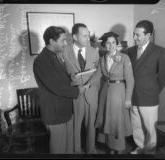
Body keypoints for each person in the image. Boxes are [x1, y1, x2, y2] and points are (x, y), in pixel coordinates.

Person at [33, 26, 86, 154]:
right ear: (52, 42)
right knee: (59, 149)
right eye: (62, 40)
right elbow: (56, 87)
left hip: (64, 110)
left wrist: (71, 77)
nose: (66, 43)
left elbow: (59, 79)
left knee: (67, 148)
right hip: (55, 113)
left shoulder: (54, 57)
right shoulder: (42, 61)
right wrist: (78, 90)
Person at [126, 20, 165, 154]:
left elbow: (164, 76)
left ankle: (150, 152)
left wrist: (153, 91)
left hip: (149, 98)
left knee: (150, 128)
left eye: (138, 35)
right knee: (136, 126)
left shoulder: (160, 51)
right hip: (133, 96)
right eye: (134, 34)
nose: (134, 38)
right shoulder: (130, 51)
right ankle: (140, 147)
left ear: (148, 35)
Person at [87, 32, 134, 154]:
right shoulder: (102, 58)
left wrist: (128, 98)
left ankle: (119, 148)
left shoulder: (124, 58)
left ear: (117, 44)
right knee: (106, 119)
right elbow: (98, 73)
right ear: (104, 45)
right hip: (105, 93)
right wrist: (87, 84)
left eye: (113, 42)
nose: (111, 45)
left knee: (117, 121)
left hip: (119, 93)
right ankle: (111, 147)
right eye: (108, 43)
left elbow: (130, 80)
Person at [63, 23, 99, 154]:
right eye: (84, 36)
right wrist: (70, 77)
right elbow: (61, 73)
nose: (88, 38)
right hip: (75, 94)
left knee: (91, 125)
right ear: (75, 36)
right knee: (75, 125)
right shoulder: (64, 51)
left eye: (88, 35)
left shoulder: (94, 51)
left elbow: (98, 72)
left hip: (91, 93)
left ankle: (91, 149)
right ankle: (76, 150)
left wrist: (89, 84)